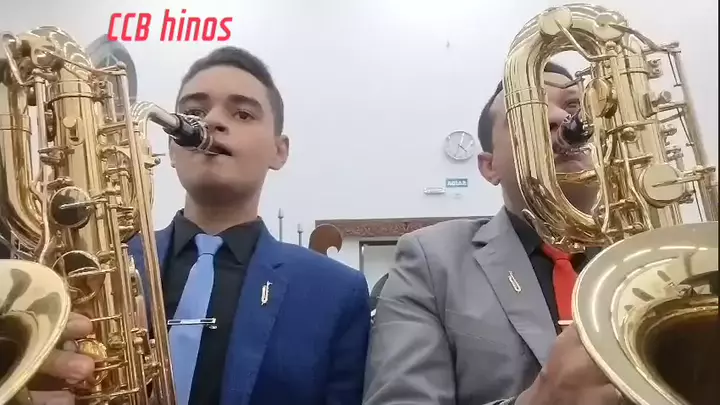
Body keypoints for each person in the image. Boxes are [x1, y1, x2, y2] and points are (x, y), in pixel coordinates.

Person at [29, 46, 371, 405]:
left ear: (279, 151)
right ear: (172, 150)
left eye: (242, 113)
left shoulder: (337, 292)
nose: (211, 122)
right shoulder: (89, 268)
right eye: (193, 112)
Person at [362, 61, 620, 405]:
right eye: (526, 113)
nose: (560, 118)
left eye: (573, 105)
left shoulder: (649, 254)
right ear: (489, 166)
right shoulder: (431, 261)